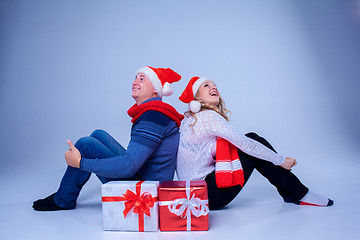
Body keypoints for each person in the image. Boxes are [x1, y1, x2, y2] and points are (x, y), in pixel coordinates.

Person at [33, 66, 184, 211]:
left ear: (155, 89)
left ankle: (63, 200)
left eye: (142, 79)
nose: (134, 82)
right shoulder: (155, 112)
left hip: (148, 192)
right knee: (98, 134)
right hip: (147, 179)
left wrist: (80, 163)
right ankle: (65, 194)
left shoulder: (153, 116)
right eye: (135, 78)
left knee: (85, 145)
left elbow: (129, 165)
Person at [176, 76, 333, 210]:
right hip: (207, 196)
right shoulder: (208, 116)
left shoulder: (190, 121)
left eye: (214, 84)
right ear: (197, 98)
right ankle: (299, 193)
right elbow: (246, 145)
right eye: (206, 85)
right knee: (253, 140)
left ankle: (295, 192)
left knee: (251, 141)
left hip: (195, 195)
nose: (214, 87)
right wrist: (280, 161)